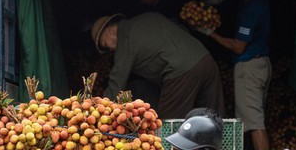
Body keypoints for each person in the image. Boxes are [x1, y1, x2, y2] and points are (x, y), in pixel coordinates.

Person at [91, 12, 226, 119]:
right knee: (214, 117)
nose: (110, 50)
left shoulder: (125, 39)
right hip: (205, 59)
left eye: (105, 45)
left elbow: (117, 81)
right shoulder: (149, 17)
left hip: (180, 72)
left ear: (110, 32)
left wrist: (98, 111)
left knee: (167, 124)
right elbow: (182, 29)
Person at [196, 0, 272, 150]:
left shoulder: (251, 9)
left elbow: (238, 47)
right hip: (261, 64)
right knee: (254, 119)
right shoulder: (258, 4)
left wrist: (210, 33)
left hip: (249, 67)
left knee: (254, 123)